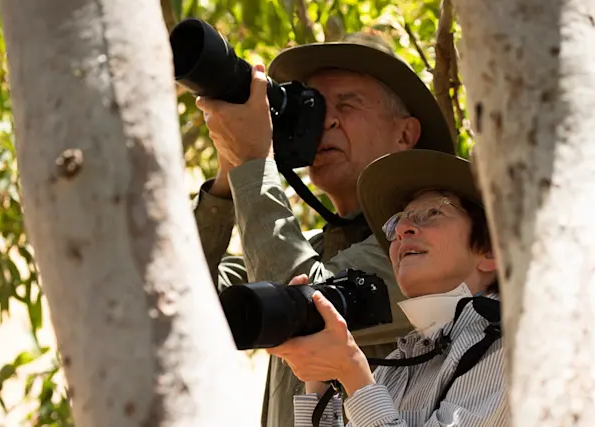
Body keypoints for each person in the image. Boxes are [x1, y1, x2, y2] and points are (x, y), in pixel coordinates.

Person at [191, 32, 456, 427]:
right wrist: (229, 176)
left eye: (348, 104)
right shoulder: (310, 247)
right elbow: (172, 305)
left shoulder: (419, 253)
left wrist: (253, 161)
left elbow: (293, 306)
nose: (325, 121)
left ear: (405, 135)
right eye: (314, 107)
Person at [267, 149, 508, 427]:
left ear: (491, 251)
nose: (403, 228)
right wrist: (318, 383)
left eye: (432, 212)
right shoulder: (401, 361)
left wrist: (351, 369)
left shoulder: (509, 351)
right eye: (396, 222)